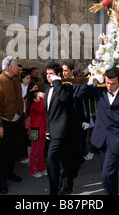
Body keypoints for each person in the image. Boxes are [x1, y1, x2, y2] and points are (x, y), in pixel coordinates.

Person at [77, 66, 119, 195]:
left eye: (113, 84)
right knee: (110, 175)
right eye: (107, 83)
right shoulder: (100, 91)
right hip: (101, 138)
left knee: (106, 175)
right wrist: (90, 81)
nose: (109, 86)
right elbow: (80, 95)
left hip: (117, 140)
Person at [0, 55, 24, 194]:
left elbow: (19, 98)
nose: (18, 67)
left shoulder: (15, 80)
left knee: (13, 151)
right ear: (10, 67)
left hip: (16, 121)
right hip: (4, 122)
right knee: (3, 153)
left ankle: (10, 173)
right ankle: (2, 181)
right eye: (16, 65)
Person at [44, 62, 76, 195]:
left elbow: (64, 98)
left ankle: (53, 190)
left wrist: (58, 82)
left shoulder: (66, 87)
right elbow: (49, 112)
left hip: (62, 132)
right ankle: (66, 186)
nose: (48, 76)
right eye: (46, 73)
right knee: (64, 161)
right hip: (52, 131)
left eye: (51, 73)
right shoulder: (47, 89)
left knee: (51, 160)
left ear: (58, 75)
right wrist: (48, 130)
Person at [61, 61, 91, 177]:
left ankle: (74, 167)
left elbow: (84, 102)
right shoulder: (60, 83)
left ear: (72, 71)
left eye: (66, 70)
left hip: (77, 120)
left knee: (76, 146)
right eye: (63, 71)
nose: (64, 73)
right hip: (63, 122)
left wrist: (86, 119)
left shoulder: (78, 84)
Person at [26, 90, 47, 178]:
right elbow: (41, 109)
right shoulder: (34, 106)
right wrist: (43, 98)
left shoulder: (41, 104)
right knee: (34, 152)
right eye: (39, 96)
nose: (41, 97)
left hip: (42, 130)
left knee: (41, 151)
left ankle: (41, 167)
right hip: (34, 130)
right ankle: (33, 169)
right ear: (34, 99)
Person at [18, 71, 31, 164]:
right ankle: (23, 155)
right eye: (27, 78)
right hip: (22, 113)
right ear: (22, 79)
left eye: (29, 78)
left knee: (29, 135)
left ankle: (30, 155)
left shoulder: (30, 87)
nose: (29, 80)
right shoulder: (20, 87)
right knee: (22, 135)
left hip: (29, 114)